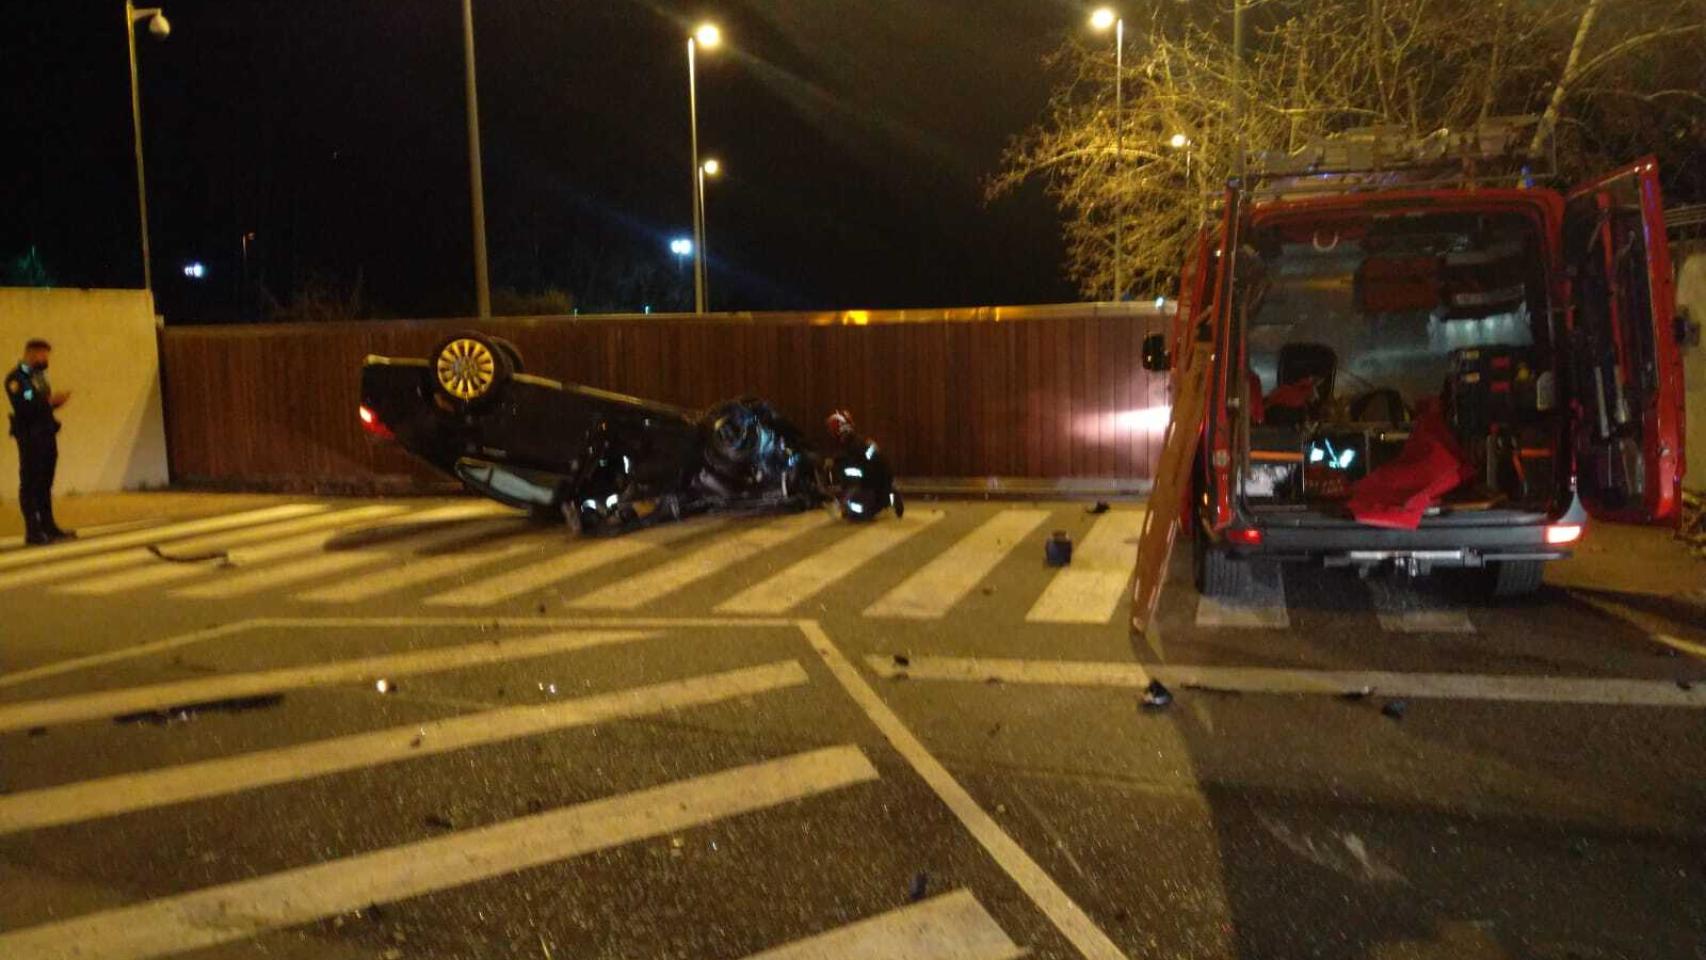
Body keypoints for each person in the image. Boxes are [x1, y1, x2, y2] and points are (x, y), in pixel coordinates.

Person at [6, 339, 73, 544]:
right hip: (30, 437)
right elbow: (25, 405)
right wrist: (49, 402)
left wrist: (53, 404)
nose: (46, 359)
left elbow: (40, 404)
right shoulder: (16, 378)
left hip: (46, 433)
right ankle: (32, 531)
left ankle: (48, 526)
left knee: (45, 482)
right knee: (30, 483)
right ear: (31, 353)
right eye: (43, 355)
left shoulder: (39, 377)